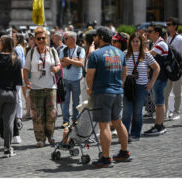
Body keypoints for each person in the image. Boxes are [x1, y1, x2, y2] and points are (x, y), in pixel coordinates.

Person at [86, 26, 131, 168]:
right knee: (118, 123)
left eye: (96, 37)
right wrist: (120, 86)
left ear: (101, 37)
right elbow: (125, 73)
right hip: (118, 92)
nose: (95, 39)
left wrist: (91, 89)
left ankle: (106, 158)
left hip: (103, 92)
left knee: (104, 125)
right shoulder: (120, 53)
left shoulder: (95, 54)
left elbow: (90, 75)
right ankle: (125, 152)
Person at [23, 27, 61, 147]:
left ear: (47, 38)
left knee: (52, 114)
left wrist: (56, 68)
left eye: (43, 38)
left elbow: (59, 64)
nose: (41, 40)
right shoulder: (31, 52)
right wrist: (26, 81)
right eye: (38, 38)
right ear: (34, 39)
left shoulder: (52, 51)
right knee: (37, 114)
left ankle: (50, 136)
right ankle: (40, 139)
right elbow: (25, 69)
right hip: (35, 88)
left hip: (51, 87)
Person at [122, 33, 160, 141]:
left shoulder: (146, 54)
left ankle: (135, 134)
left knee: (138, 112)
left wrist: (151, 83)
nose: (135, 43)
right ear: (130, 43)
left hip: (141, 87)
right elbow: (120, 69)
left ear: (140, 42)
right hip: (128, 87)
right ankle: (124, 134)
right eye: (133, 41)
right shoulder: (125, 54)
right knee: (126, 112)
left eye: (137, 41)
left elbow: (157, 68)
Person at [144, 24, 168, 136]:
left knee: (159, 102)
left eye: (150, 31)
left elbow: (147, 56)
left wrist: (143, 42)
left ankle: (159, 126)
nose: (148, 33)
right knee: (159, 101)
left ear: (157, 33)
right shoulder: (156, 44)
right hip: (158, 77)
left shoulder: (161, 44)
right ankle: (159, 124)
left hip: (160, 77)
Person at [164, 17, 182, 121]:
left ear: (175, 26)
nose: (167, 26)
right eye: (167, 24)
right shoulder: (168, 38)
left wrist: (180, 67)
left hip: (177, 71)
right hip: (169, 70)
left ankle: (176, 112)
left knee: (177, 92)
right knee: (165, 92)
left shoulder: (180, 39)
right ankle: (165, 112)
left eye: (169, 24)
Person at [60, 31, 85, 128]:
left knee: (76, 102)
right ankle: (65, 121)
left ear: (73, 39)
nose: (64, 40)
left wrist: (67, 60)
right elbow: (60, 64)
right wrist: (73, 61)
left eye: (66, 38)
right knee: (65, 102)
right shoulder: (63, 50)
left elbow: (80, 64)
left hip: (76, 80)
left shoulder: (80, 50)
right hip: (65, 79)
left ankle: (75, 120)